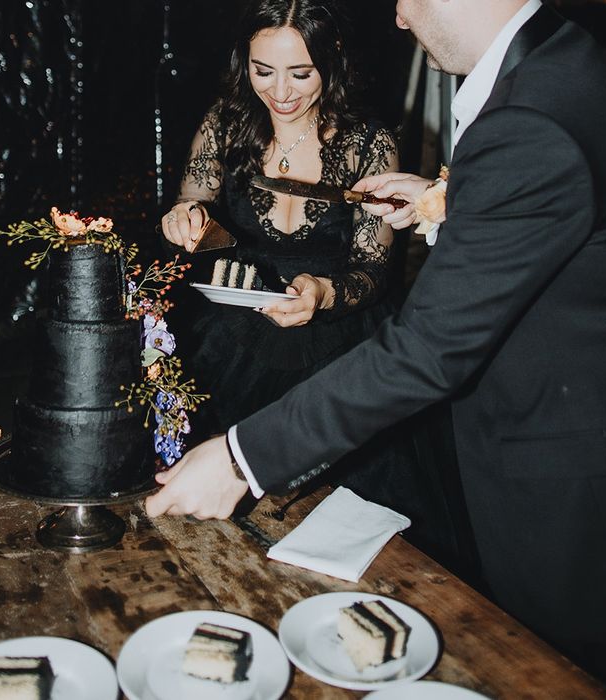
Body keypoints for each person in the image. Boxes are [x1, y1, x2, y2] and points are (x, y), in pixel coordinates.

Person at [146, 0, 606, 695]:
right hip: (557, 440)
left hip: (568, 482)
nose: (400, 19)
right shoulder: (564, 62)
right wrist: (446, 199)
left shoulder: (533, 115)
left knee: (555, 674)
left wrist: (242, 459)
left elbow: (428, 349)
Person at [158, 0, 470, 557]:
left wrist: (324, 293)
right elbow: (194, 197)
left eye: (301, 73)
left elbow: (374, 267)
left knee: (350, 530)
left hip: (340, 338)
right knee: (214, 528)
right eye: (263, 70)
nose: (280, 91)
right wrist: (185, 216)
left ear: (333, 60)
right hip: (235, 329)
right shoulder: (224, 123)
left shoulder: (367, 143)